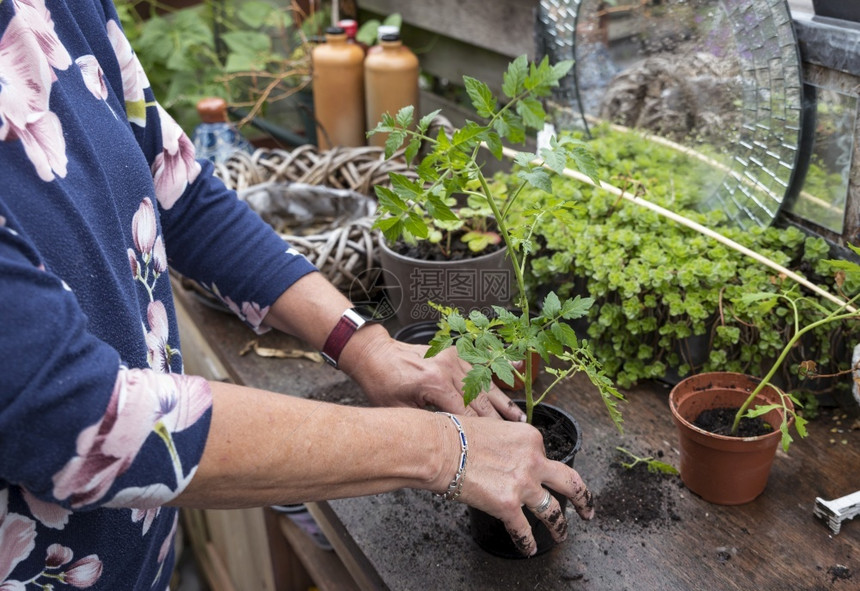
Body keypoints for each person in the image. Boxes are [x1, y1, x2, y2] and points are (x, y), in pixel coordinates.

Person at [0, 1, 595, 588]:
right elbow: (74, 414)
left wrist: (367, 347)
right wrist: (446, 451)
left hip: (139, 552)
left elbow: (176, 186)